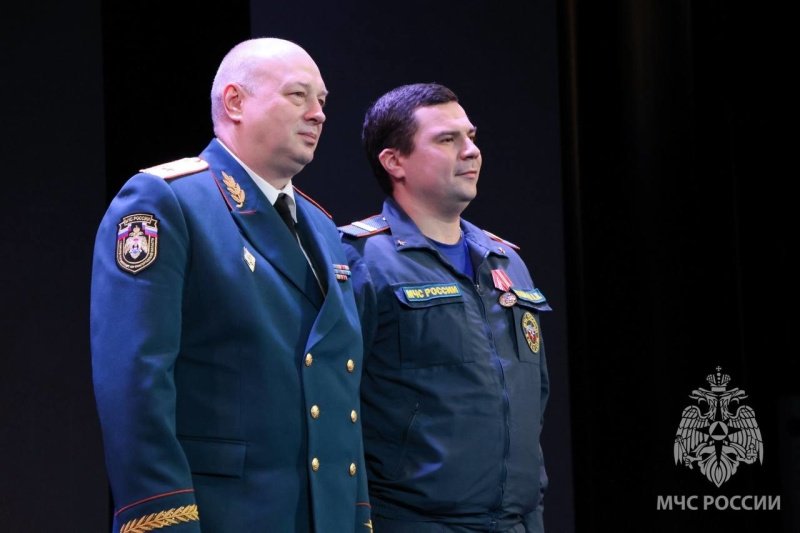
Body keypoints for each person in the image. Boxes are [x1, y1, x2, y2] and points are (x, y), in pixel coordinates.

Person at [91, 38, 371, 532]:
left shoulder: (323, 227)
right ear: (235, 102)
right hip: (224, 516)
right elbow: (135, 383)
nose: (318, 114)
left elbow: (338, 396)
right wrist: (163, 520)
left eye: (322, 100)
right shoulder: (167, 201)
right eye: (298, 95)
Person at [340, 83, 550, 532]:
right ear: (394, 161)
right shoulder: (360, 260)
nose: (471, 151)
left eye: (470, 136)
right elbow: (335, 407)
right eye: (447, 139)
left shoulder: (506, 261)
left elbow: (532, 406)